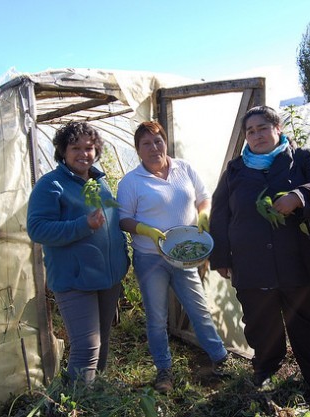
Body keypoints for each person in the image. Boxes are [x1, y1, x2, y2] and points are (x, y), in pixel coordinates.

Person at [209, 105, 310, 407]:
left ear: (277, 129)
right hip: (250, 261)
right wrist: (222, 257)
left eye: (263, 128)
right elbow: (219, 213)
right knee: (259, 321)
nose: (256, 135)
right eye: (250, 131)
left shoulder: (302, 159)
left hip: (297, 259)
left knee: (305, 321)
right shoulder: (236, 170)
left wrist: (300, 197)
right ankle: (266, 367)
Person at [117, 121, 229, 393]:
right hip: (150, 258)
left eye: (158, 141)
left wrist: (203, 215)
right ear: (138, 150)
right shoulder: (131, 181)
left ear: (165, 143)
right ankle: (164, 371)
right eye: (147, 143)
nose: (154, 148)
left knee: (199, 309)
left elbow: (204, 197)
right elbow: (123, 220)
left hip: (183, 254)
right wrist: (146, 231)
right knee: (157, 316)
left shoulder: (184, 168)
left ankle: (220, 360)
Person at [27, 121, 129, 385]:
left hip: (108, 278)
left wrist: (123, 260)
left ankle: (95, 391)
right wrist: (83, 225)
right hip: (74, 280)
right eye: (76, 148)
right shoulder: (51, 185)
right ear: (62, 151)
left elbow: (111, 224)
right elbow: (38, 229)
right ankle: (74, 403)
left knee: (102, 340)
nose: (84, 153)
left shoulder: (98, 182)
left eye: (89, 148)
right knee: (86, 347)